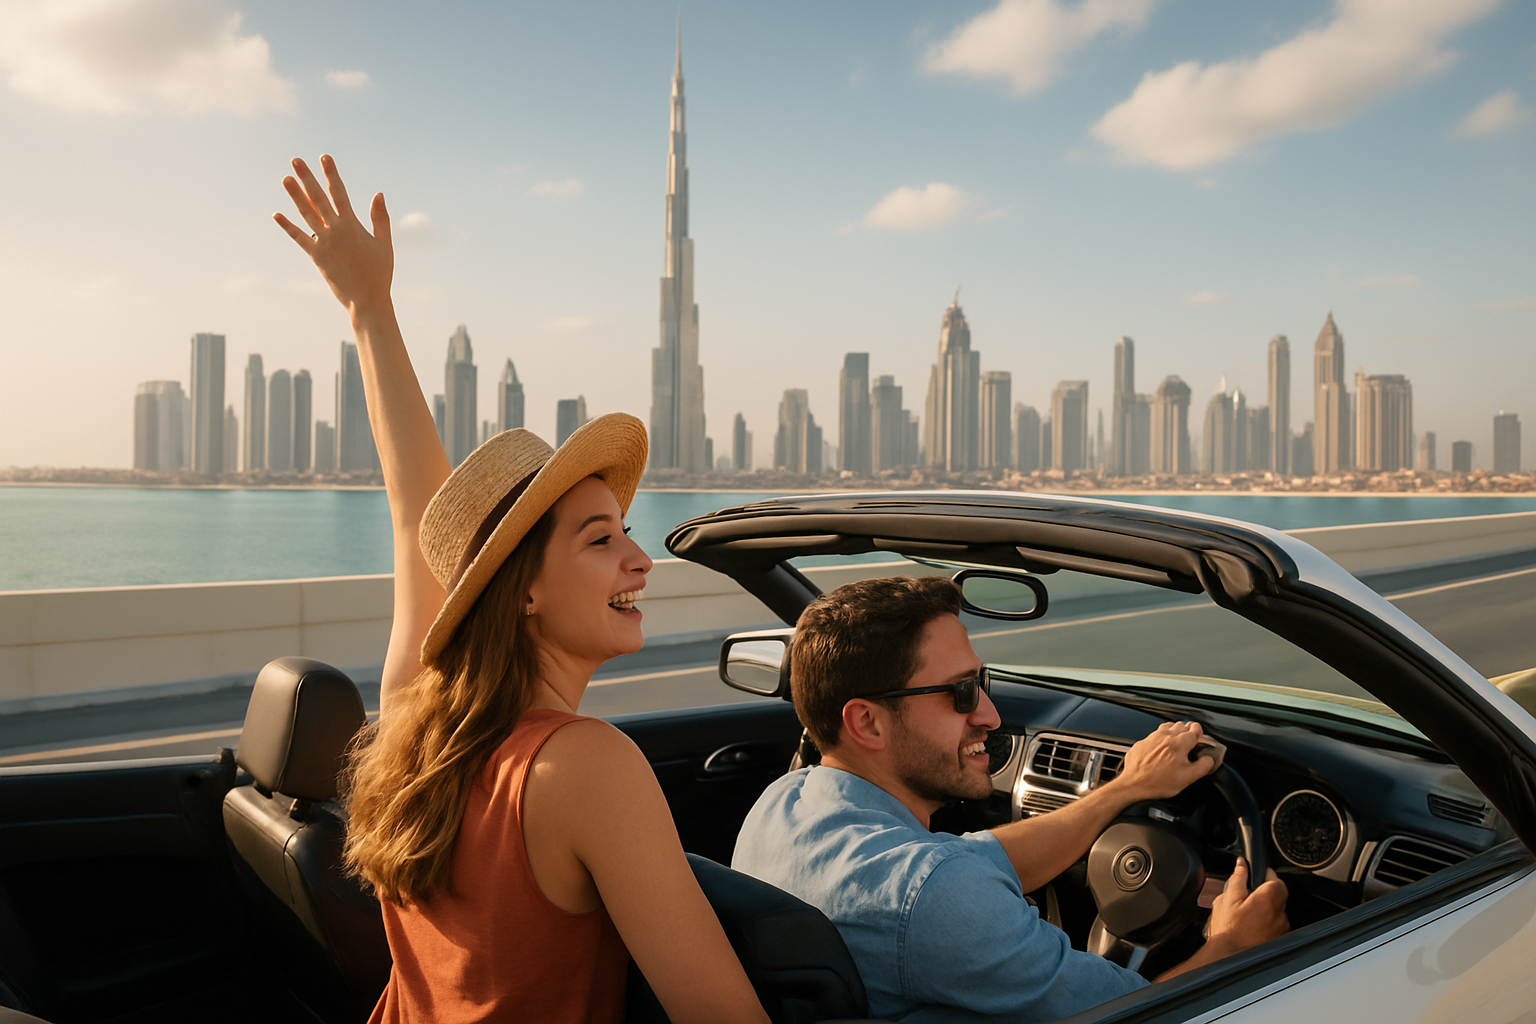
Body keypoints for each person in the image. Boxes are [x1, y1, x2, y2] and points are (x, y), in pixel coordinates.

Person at [275, 155, 769, 1024]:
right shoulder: (586, 764)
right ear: (524, 592)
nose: (641, 559)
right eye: (601, 538)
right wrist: (368, 307)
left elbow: (412, 510)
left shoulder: (416, 725)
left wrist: (370, 309)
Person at [732, 574, 1290, 1023]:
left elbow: (972, 862)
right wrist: (1232, 947)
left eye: (983, 682)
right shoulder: (935, 897)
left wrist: (1126, 788)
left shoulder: (782, 804)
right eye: (961, 692)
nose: (990, 716)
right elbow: (1135, 1014)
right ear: (867, 723)